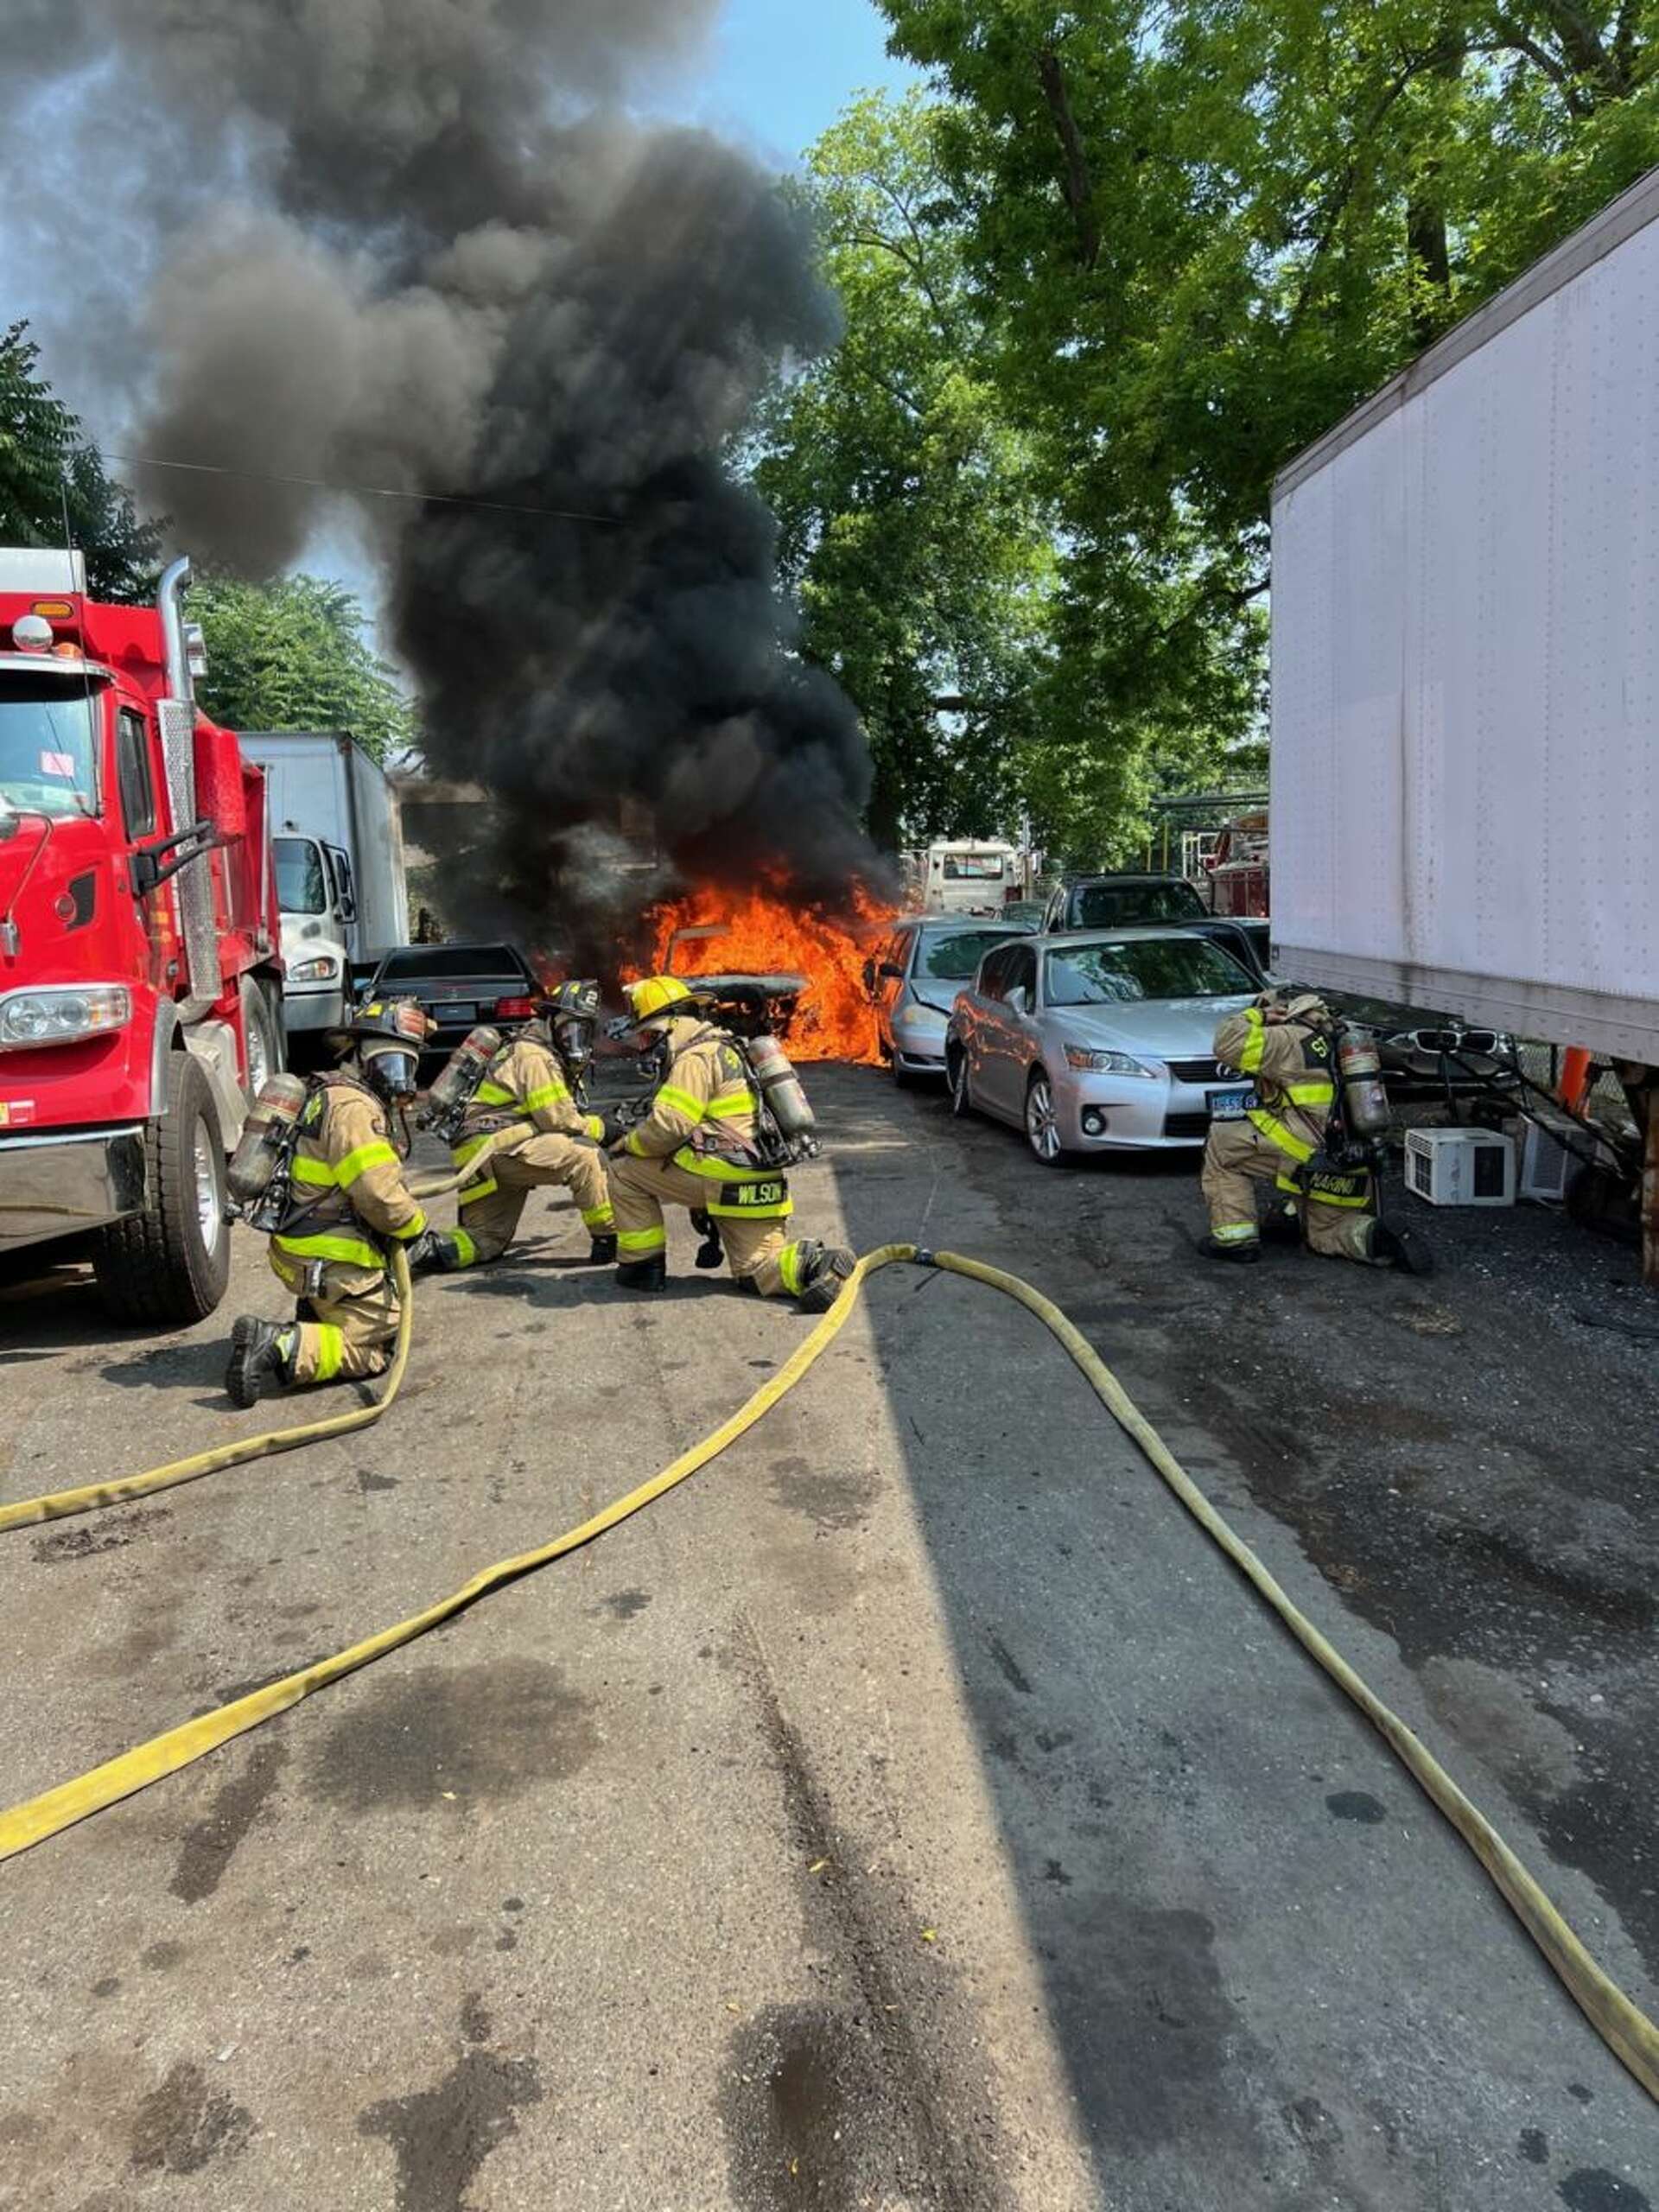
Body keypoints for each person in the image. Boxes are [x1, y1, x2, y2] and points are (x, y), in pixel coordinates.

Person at [225, 1000, 444, 1404]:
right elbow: (378, 1194)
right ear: (358, 1057)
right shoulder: (353, 1107)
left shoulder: (325, 1091)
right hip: (331, 1258)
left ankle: (317, 1315)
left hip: (301, 1248)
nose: (397, 1080)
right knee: (380, 1346)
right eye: (386, 1064)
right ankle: (281, 1345)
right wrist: (415, 1229)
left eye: (404, 1067)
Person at [607, 976, 855, 1310]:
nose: (646, 1045)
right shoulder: (730, 1047)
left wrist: (628, 1143)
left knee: (623, 1171)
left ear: (672, 1024)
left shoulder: (694, 1058)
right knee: (756, 1271)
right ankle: (815, 1264)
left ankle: (642, 1267)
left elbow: (669, 1126)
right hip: (760, 1178)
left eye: (650, 1034)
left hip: (721, 1176)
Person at [1201, 991, 1427, 1271]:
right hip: (1353, 1159)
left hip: (1309, 1154)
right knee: (1327, 1233)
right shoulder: (1341, 1039)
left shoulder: (1287, 1038)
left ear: (1281, 1010)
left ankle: (1235, 1240)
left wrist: (1256, 1015)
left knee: (1222, 1147)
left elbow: (1227, 1042)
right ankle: (1376, 1238)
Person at [427, 979, 617, 1270]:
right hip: (500, 1147)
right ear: (550, 1020)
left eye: (582, 1031)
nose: (574, 1039)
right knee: (585, 1156)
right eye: (569, 1029)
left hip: (481, 1156)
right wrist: (603, 1128)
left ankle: (424, 1251)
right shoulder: (534, 1054)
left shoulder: (533, 1049)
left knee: (485, 1240)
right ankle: (610, 1239)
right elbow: (557, 1118)